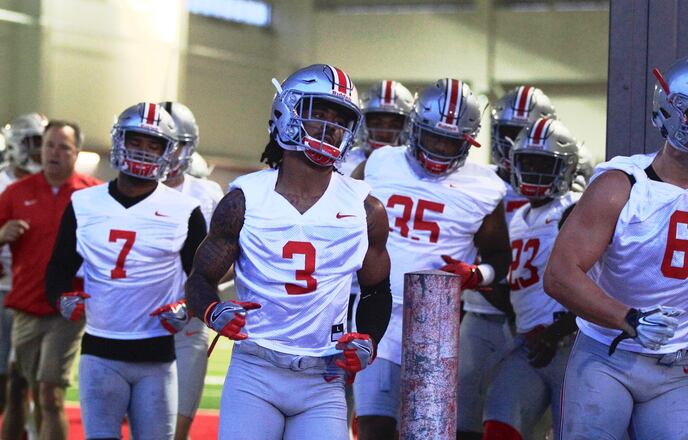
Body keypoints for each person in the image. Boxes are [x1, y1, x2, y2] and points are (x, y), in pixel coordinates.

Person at [544, 54, 688, 440]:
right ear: (671, 111)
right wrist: (627, 318)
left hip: (676, 368)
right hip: (606, 355)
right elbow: (560, 275)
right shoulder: (621, 186)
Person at [185, 64, 392, 440]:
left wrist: (369, 338)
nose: (330, 127)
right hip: (255, 369)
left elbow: (377, 290)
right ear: (288, 112)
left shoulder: (367, 209)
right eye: (319, 112)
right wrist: (214, 311)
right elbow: (200, 278)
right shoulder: (243, 200)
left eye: (339, 118)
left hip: (324, 377)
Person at [351, 78, 511, 440]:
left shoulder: (485, 185)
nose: (440, 148)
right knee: (374, 426)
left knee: (428, 429)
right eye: (433, 136)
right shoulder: (379, 163)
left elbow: (500, 256)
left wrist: (477, 274)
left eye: (450, 141)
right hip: (377, 309)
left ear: (467, 142)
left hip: (436, 321)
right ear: (415, 128)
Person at [45, 102, 207, 439]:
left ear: (169, 152)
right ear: (120, 142)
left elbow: (202, 281)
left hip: (158, 355)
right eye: (136, 142)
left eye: (154, 145)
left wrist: (188, 308)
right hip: (100, 351)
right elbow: (58, 271)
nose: (144, 152)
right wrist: (61, 299)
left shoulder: (186, 210)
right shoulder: (84, 203)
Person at [453, 86, 556, 439]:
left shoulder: (564, 194)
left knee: (522, 420)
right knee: (462, 417)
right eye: (509, 132)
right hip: (481, 314)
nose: (514, 144)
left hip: (538, 324)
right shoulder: (477, 182)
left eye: (524, 133)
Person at [0, 118, 101, 439]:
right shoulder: (16, 192)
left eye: (63, 147)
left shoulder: (95, 194)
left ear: (77, 152)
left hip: (68, 307)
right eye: (49, 146)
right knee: (21, 388)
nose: (54, 153)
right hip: (25, 307)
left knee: (50, 393)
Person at [482, 118, 581, 440]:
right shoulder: (520, 217)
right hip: (531, 341)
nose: (535, 172)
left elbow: (603, 281)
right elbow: (519, 290)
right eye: (528, 163)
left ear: (566, 168)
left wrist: (560, 329)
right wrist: (475, 280)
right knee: (499, 423)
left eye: (545, 164)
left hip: (574, 343)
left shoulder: (576, 210)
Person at [159, 101, 224, 440]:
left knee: (176, 430)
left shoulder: (207, 194)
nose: (169, 154)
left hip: (187, 326)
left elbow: (226, 262)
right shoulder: (127, 193)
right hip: (138, 323)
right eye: (161, 143)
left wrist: (199, 295)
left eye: (177, 145)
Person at [0, 113, 49, 437]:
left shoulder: (49, 186)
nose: (38, 151)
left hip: (35, 293)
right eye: (33, 142)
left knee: (32, 377)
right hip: (2, 289)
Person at [338, 80, 413, 177]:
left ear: (407, 126)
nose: (384, 134)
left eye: (394, 125)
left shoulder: (415, 168)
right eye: (377, 123)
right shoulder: (342, 164)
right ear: (362, 123)